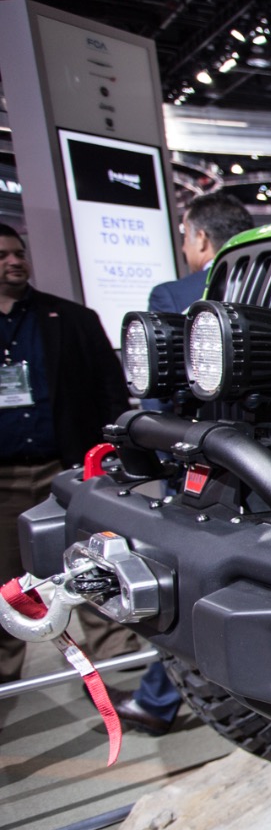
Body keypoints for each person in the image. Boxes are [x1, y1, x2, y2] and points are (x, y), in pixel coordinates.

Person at [108, 191, 256, 734]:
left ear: (199, 238)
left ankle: (159, 699)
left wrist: (161, 446)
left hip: (204, 455)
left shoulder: (175, 294)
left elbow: (160, 392)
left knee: (180, 575)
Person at [0, 223, 133, 686]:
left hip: (70, 472)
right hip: (6, 480)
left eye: (19, 253)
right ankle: (7, 680)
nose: (15, 261)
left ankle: (125, 675)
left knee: (93, 570)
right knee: (8, 587)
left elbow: (110, 392)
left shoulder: (70, 318)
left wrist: (116, 458)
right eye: (3, 255)